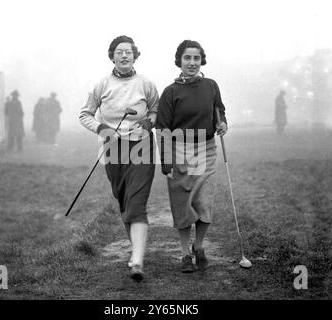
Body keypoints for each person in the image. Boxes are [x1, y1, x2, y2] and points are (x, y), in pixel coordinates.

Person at [79, 35, 159, 281]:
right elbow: (85, 114)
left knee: (137, 203)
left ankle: (137, 260)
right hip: (113, 151)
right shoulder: (101, 85)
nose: (124, 55)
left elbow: (156, 110)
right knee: (124, 201)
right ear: (112, 56)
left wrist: (147, 122)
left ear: (135, 55)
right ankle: (135, 251)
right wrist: (103, 129)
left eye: (129, 52)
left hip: (141, 148)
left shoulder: (146, 84)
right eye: (119, 51)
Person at [155, 40, 228, 273]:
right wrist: (166, 160)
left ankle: (199, 246)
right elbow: (162, 128)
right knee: (183, 204)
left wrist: (223, 123)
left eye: (196, 58)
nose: (192, 63)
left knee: (204, 201)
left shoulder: (211, 86)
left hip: (207, 148)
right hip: (179, 151)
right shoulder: (170, 92)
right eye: (187, 58)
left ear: (201, 60)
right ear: (180, 60)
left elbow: (219, 110)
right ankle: (185, 254)